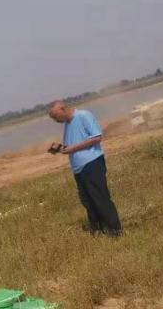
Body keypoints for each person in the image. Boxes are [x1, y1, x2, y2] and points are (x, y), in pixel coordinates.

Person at [47, 100, 122, 236]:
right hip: (79, 168)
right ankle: (98, 229)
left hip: (92, 163)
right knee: (87, 200)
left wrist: (72, 148)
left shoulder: (83, 116)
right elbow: (72, 145)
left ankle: (115, 230)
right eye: (52, 118)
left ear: (63, 109)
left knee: (100, 197)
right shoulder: (67, 125)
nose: (55, 120)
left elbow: (97, 137)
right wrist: (60, 148)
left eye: (55, 116)